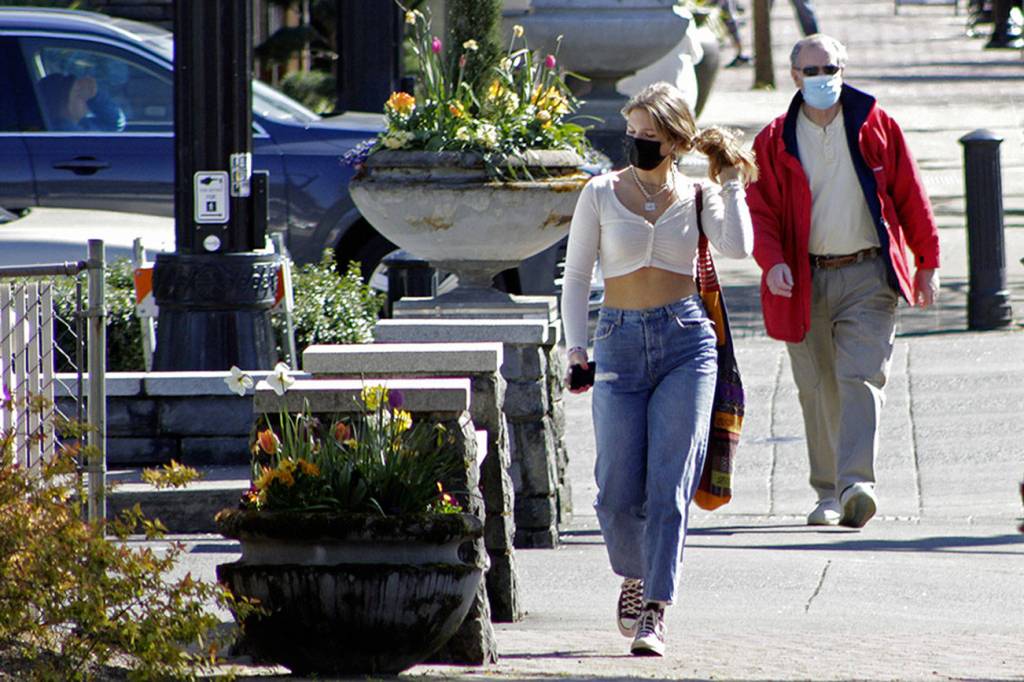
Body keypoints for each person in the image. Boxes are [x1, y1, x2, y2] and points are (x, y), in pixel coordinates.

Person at [561, 82, 756, 657]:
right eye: (632, 132)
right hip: (618, 340)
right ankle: (635, 571)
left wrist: (730, 183)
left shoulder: (697, 194)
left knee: (670, 484)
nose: (637, 142)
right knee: (616, 489)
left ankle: (655, 607)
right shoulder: (600, 193)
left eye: (649, 134)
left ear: (675, 140)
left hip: (686, 342)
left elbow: (738, 246)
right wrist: (576, 349)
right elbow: (577, 277)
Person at [747, 35, 940, 530]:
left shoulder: (877, 125)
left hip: (868, 274)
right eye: (810, 71)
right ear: (794, 76)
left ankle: (856, 485)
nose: (821, 78)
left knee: (861, 377)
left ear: (843, 69)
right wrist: (772, 263)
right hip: (803, 279)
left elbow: (910, 194)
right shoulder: (773, 140)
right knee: (817, 389)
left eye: (829, 68)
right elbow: (759, 212)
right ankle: (828, 492)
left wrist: (927, 262)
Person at [37, 73, 126, 132]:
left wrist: (95, 96)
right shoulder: (67, 132)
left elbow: (115, 124)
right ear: (62, 102)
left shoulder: (82, 124)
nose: (86, 97)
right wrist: (95, 97)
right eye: (78, 93)